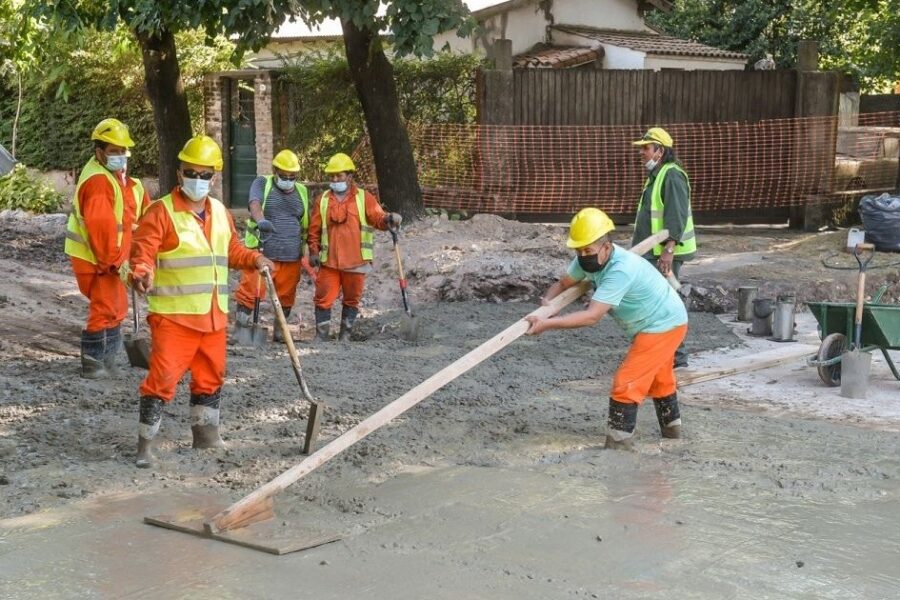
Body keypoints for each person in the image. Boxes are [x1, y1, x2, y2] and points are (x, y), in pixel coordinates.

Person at [129, 135, 274, 468]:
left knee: (211, 376)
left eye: (205, 174)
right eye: (191, 172)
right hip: (175, 318)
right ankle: (145, 447)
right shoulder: (161, 211)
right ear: (179, 173)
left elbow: (232, 250)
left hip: (212, 316)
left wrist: (254, 259)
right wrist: (141, 272)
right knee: (162, 380)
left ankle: (206, 438)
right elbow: (143, 253)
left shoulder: (220, 212)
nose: (198, 179)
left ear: (215, 176)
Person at [525, 208, 688, 450]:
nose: (583, 256)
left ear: (606, 246)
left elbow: (592, 317)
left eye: (588, 250)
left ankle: (618, 447)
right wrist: (548, 306)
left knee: (626, 384)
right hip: (656, 322)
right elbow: (562, 284)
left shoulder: (620, 270)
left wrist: (548, 324)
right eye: (578, 250)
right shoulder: (587, 260)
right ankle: (673, 436)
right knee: (660, 381)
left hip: (663, 324)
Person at [65, 118, 149, 379]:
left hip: (109, 258)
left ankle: (108, 360)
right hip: (99, 260)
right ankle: (94, 363)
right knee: (106, 308)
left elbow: (130, 224)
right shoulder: (99, 183)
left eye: (123, 151)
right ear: (99, 152)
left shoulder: (117, 179)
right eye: (114, 151)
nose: (121, 156)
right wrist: (116, 265)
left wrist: (132, 263)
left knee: (116, 307)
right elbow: (101, 232)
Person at [306, 152, 402, 341]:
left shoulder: (364, 198)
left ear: (349, 176)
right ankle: (322, 337)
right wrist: (313, 251)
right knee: (323, 298)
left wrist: (389, 218)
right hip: (329, 262)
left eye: (339, 176)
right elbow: (314, 230)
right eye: (332, 176)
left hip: (356, 261)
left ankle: (345, 336)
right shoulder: (323, 200)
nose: (335, 180)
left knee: (351, 300)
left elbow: (378, 218)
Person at [234, 149, 315, 342]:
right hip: (262, 253)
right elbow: (254, 203)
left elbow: (306, 223)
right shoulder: (263, 183)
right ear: (275, 170)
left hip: (291, 255)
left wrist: (311, 250)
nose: (287, 179)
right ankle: (243, 332)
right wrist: (261, 220)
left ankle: (280, 332)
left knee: (286, 296)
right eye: (283, 175)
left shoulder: (302, 191)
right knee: (250, 291)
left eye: (292, 176)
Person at [631, 127, 696, 368]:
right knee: (658, 300)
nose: (642, 152)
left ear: (660, 150)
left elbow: (675, 215)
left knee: (666, 302)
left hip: (663, 253)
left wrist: (669, 250)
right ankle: (665, 353)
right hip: (653, 251)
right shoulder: (658, 175)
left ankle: (676, 357)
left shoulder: (672, 175)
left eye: (646, 148)